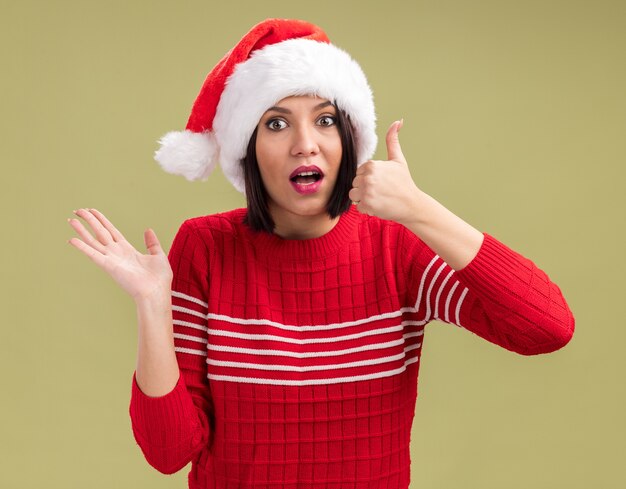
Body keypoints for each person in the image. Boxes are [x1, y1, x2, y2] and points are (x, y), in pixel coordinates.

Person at [67, 18, 575, 489]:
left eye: (326, 120)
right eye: (277, 124)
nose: (305, 144)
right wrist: (153, 308)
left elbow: (547, 329)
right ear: (248, 149)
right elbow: (170, 452)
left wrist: (421, 209)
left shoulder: (397, 247)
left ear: (350, 138)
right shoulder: (206, 247)